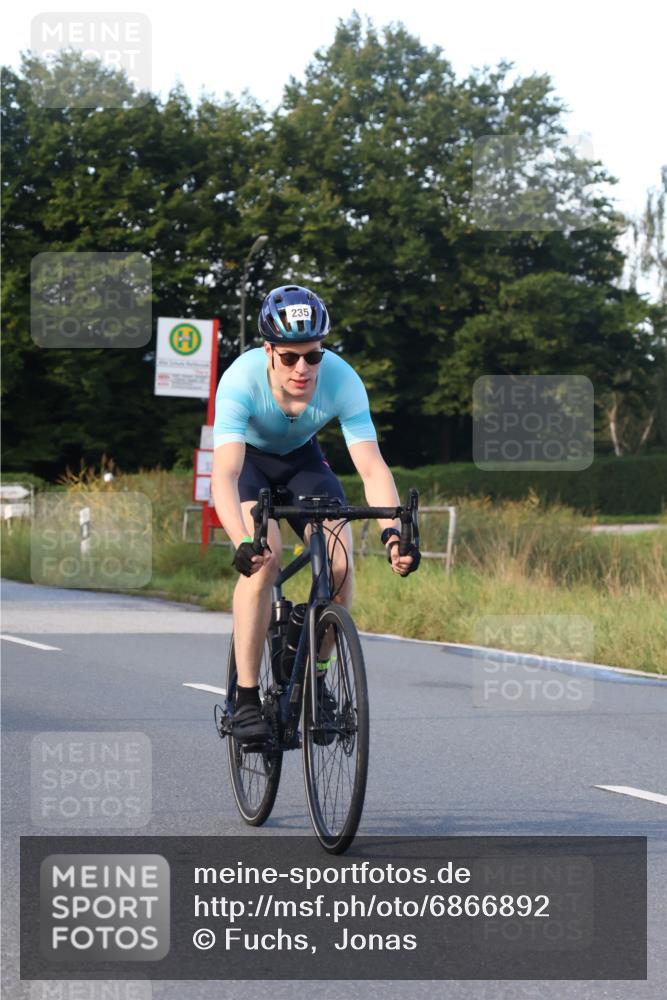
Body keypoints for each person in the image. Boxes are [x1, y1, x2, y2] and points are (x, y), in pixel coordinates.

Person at [211, 284, 420, 743]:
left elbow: (371, 465)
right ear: (268, 351)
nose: (303, 368)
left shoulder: (343, 379)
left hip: (305, 463)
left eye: (313, 355)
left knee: (341, 565)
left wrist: (391, 535)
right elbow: (223, 474)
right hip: (251, 465)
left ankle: (316, 677)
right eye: (289, 358)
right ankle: (245, 697)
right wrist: (241, 540)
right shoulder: (241, 380)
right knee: (267, 559)